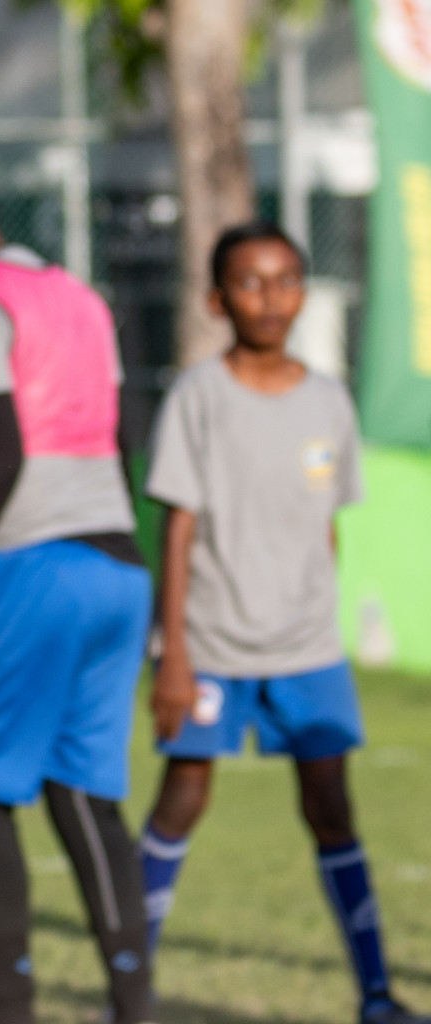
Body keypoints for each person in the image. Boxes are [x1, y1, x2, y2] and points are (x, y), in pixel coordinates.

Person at [138, 223, 426, 1024]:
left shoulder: (328, 400)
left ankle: (376, 994)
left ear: (305, 289)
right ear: (217, 298)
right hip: (215, 651)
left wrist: (317, 624)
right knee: (182, 800)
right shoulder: (199, 395)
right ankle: (129, 993)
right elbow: (180, 530)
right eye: (251, 281)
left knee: (333, 808)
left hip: (307, 653)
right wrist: (173, 657)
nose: (271, 297)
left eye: (287, 279)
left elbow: (325, 529)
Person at [0, 167, 154, 1024]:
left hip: (29, 560)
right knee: (86, 797)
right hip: (117, 564)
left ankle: (12, 1008)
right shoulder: (80, 296)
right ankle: (134, 1003)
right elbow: (121, 437)